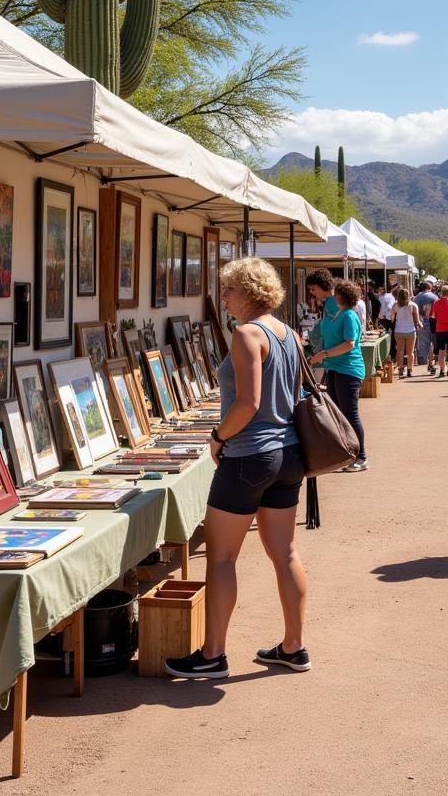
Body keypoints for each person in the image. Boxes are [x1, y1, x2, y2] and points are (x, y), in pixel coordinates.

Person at [165, 257, 310, 679]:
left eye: (228, 289)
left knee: (222, 556)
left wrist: (218, 436)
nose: (223, 297)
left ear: (247, 291)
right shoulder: (289, 335)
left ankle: (212, 654)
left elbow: (247, 403)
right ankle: (293, 646)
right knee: (285, 553)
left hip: (249, 455)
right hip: (288, 454)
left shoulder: (247, 333)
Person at [311, 278, 368, 471]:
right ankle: (347, 453)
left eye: (336, 293)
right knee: (340, 414)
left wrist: (323, 354)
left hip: (348, 369)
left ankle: (361, 457)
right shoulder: (338, 314)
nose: (333, 295)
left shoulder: (348, 316)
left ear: (342, 296)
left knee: (350, 414)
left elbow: (349, 343)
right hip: (334, 367)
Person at [392, 287, 422, 377]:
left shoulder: (395, 305)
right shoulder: (413, 305)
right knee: (410, 352)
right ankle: (409, 370)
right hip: (410, 331)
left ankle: (400, 369)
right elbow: (417, 320)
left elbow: (392, 318)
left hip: (398, 331)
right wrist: (420, 325)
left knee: (400, 351)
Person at [415, 281, 438, 375]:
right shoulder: (434, 297)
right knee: (432, 343)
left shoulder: (417, 297)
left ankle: (424, 361)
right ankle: (431, 363)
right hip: (433, 322)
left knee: (423, 344)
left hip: (421, 321)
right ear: (430, 287)